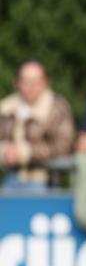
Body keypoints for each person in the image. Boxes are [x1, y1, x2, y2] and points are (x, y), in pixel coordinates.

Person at [0, 59, 76, 190]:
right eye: (26, 81)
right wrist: (4, 151)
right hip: (10, 178)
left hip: (44, 181)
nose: (31, 86)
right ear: (17, 82)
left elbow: (63, 145)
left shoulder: (57, 108)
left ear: (46, 82)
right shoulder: (6, 107)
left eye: (36, 81)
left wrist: (25, 152)